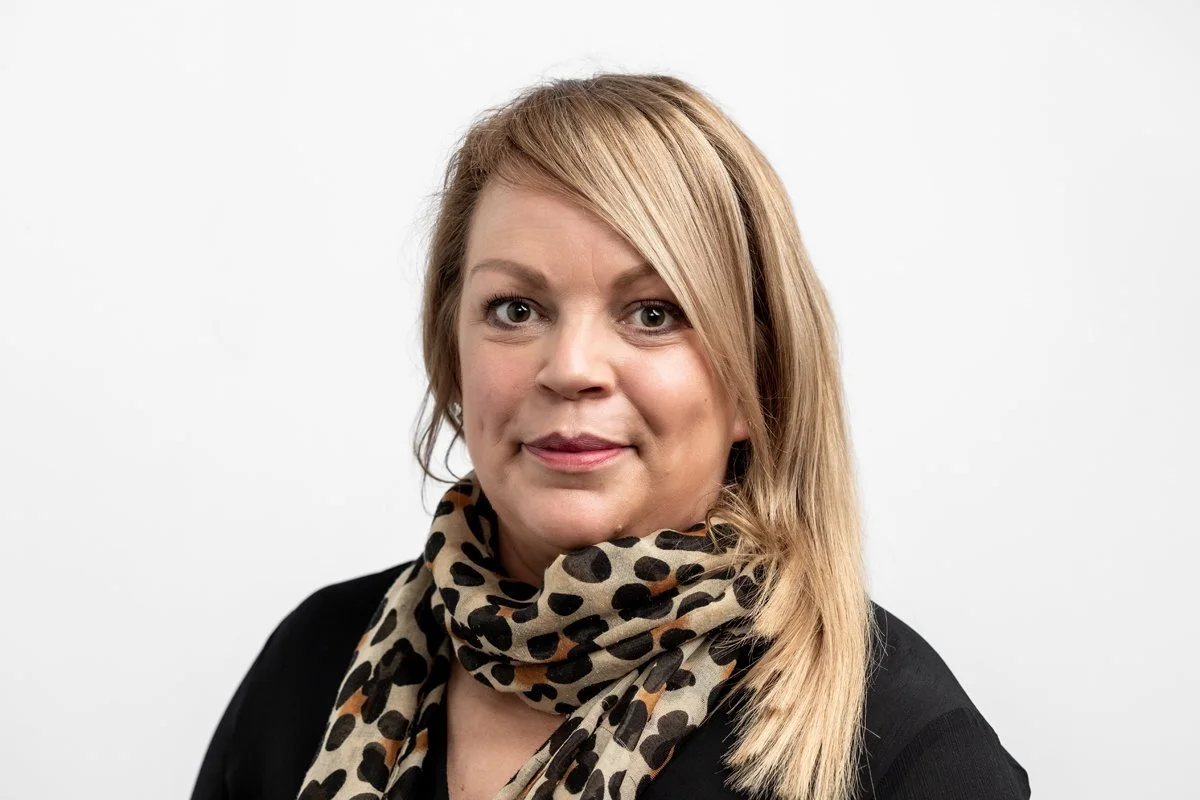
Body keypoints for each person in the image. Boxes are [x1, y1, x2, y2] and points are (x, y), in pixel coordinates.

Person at [190, 74, 1030, 800]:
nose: (573, 367)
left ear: (755, 383)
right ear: (453, 352)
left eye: (653, 313)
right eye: (515, 310)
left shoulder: (899, 745)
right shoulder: (315, 663)